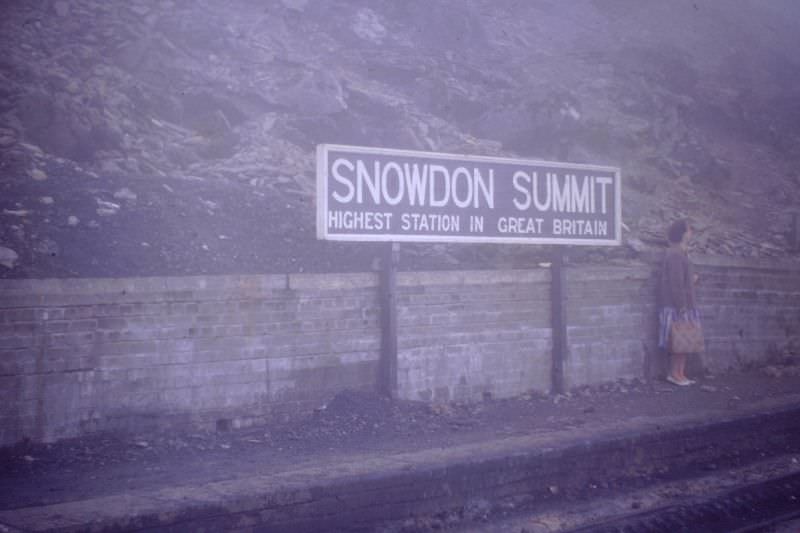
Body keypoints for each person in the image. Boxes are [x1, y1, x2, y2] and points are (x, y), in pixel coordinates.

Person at [659, 219, 701, 386]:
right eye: (689, 229)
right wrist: (682, 306)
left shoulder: (681, 252)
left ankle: (680, 373)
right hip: (678, 305)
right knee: (679, 341)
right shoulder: (675, 253)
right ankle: (675, 374)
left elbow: (682, 279)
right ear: (682, 233)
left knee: (685, 341)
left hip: (684, 303)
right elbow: (676, 283)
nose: (691, 233)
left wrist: (692, 279)